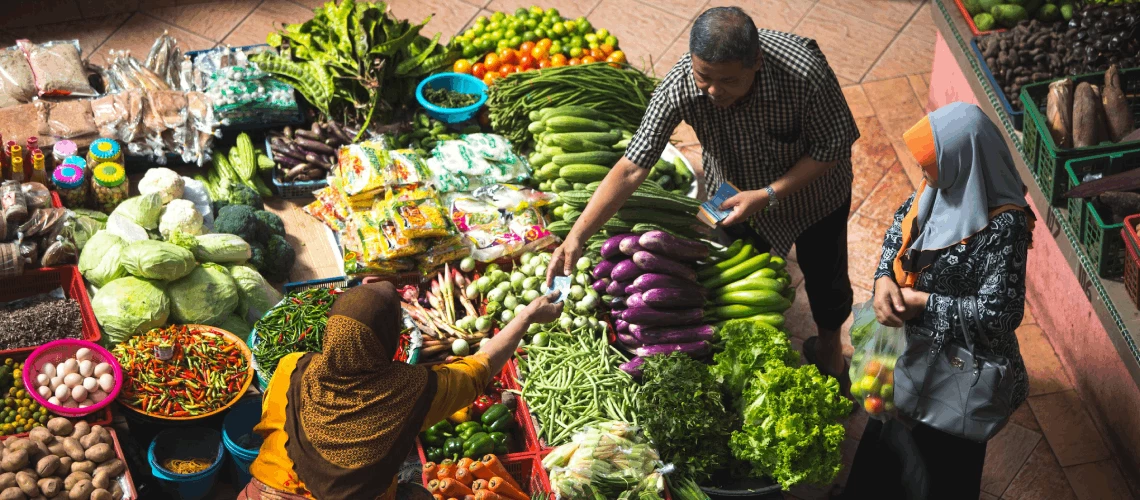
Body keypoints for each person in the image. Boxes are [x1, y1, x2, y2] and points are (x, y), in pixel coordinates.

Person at [545, 6, 860, 388]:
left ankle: (829, 349)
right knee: (730, 267)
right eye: (703, 77)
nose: (712, 91)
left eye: (727, 81)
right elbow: (631, 167)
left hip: (815, 193)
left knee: (826, 278)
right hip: (730, 191)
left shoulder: (803, 71)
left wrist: (767, 194)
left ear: (755, 62)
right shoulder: (681, 84)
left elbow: (834, 146)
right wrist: (577, 235)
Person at [840, 102, 1033, 500]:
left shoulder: (1005, 226)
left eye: (930, 166)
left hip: (957, 371)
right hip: (909, 355)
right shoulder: (938, 189)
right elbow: (899, 230)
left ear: (966, 161)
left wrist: (923, 303)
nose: (922, 176)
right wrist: (882, 282)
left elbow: (1001, 314)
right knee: (886, 445)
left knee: (940, 466)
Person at [238, 281, 563, 500]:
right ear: (389, 341)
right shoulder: (410, 392)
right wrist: (526, 317)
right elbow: (480, 369)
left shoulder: (292, 366)